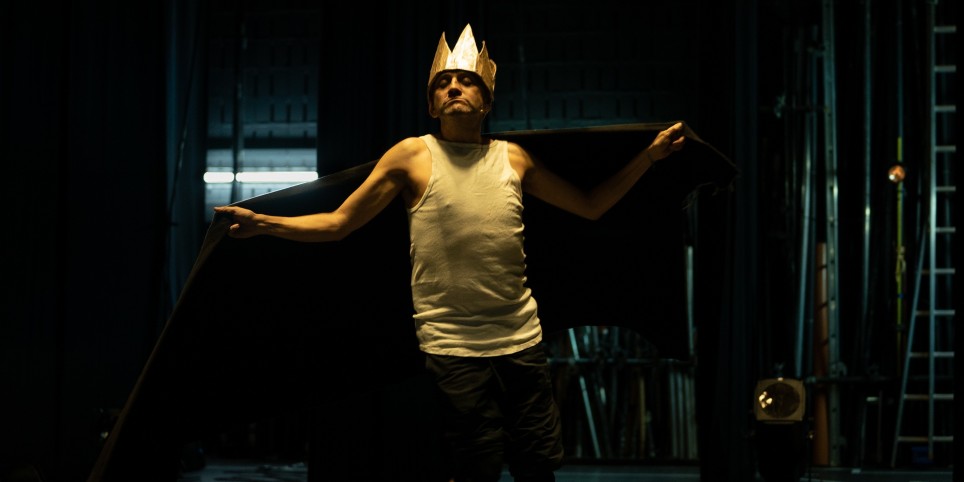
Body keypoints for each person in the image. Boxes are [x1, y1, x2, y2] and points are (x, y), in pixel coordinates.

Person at [214, 23, 685, 482]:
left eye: (466, 81)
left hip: (520, 337)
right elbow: (339, 224)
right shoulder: (412, 155)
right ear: (431, 103)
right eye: (443, 83)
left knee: (538, 461)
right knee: (476, 464)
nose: (454, 87)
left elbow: (590, 205)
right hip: (451, 343)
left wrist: (648, 157)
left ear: (487, 101)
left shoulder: (513, 158)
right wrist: (264, 223)